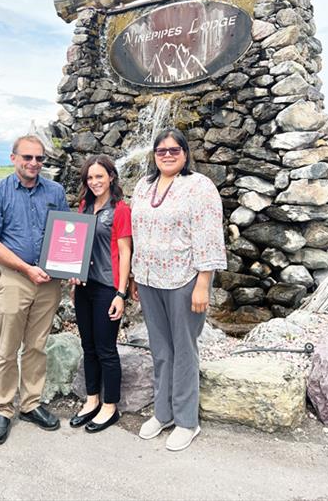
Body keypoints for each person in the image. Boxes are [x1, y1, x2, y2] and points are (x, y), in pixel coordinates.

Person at [130, 128, 226, 451]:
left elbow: (209, 235)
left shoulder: (199, 187)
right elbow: (136, 232)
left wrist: (203, 283)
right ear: (154, 155)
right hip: (148, 279)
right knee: (160, 349)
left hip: (185, 279)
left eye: (174, 149)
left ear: (185, 153)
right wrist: (133, 275)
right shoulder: (143, 187)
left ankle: (187, 421)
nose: (167, 154)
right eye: (161, 150)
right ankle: (163, 412)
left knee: (184, 349)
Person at [0, 134, 69, 444]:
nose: (34, 163)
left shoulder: (54, 191)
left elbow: (68, 231)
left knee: (37, 346)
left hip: (49, 281)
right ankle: (3, 408)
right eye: (27, 157)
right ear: (13, 158)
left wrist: (70, 267)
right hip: (15, 279)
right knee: (7, 347)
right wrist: (27, 268)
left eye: (39, 158)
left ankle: (30, 404)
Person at [69, 154, 132, 433]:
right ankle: (92, 398)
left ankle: (110, 406)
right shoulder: (85, 206)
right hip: (84, 287)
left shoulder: (120, 210)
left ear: (111, 177)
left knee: (106, 349)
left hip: (108, 287)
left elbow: (125, 252)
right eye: (90, 177)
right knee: (88, 346)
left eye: (99, 176)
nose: (94, 182)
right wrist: (71, 274)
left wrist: (122, 293)